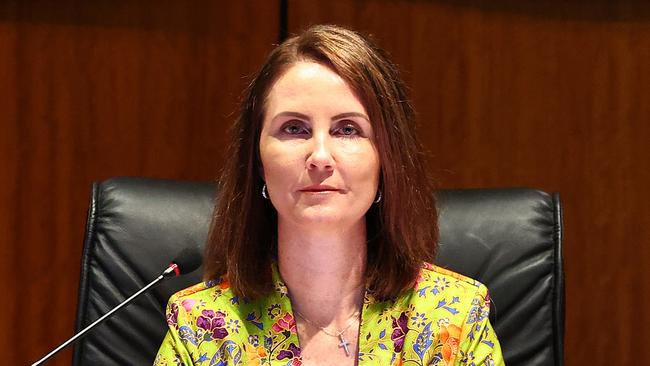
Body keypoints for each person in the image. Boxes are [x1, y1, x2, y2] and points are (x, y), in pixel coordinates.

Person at [154, 24, 504, 366]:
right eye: (294, 128)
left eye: (347, 129)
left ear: (387, 159)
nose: (320, 157)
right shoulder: (201, 327)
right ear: (257, 162)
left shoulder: (455, 321)